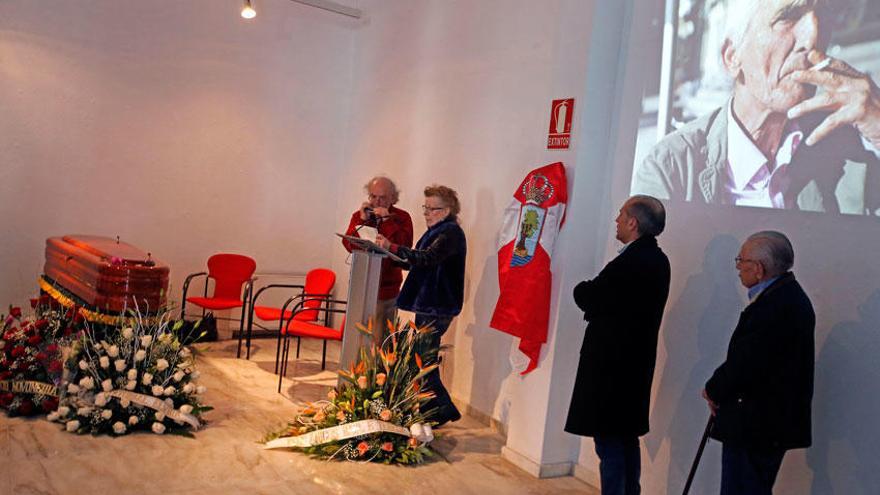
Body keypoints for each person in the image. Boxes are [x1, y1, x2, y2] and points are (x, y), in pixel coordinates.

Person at [632, 0, 880, 214]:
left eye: (822, 17)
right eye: (788, 17)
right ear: (732, 57)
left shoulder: (844, 144)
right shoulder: (673, 167)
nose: (812, 36)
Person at [565, 195, 671, 495]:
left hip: (611, 370)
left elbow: (590, 295)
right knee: (625, 439)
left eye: (621, 214)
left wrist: (583, 289)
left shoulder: (631, 261)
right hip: (633, 367)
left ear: (633, 222)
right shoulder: (658, 260)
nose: (616, 219)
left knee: (610, 441)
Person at [702, 231, 814, 495]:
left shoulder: (775, 306)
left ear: (759, 269)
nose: (738, 268)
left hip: (756, 425)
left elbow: (747, 362)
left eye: (741, 261)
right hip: (762, 422)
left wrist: (714, 388)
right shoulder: (785, 297)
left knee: (742, 488)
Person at [376, 185, 465, 427]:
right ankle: (433, 411)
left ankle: (442, 410)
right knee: (422, 359)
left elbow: (427, 259)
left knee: (423, 360)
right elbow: (418, 261)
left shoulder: (450, 233)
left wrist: (392, 248)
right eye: (425, 208)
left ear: (447, 210)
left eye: (432, 209)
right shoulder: (436, 230)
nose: (426, 213)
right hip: (428, 303)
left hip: (437, 305)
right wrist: (393, 254)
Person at [342, 176, 413, 337]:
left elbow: (403, 247)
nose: (377, 202)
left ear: (393, 198)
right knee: (357, 339)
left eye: (383, 197)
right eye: (373, 196)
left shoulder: (402, 218)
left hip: (386, 289)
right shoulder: (360, 216)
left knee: (380, 340)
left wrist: (387, 221)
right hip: (361, 286)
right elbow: (349, 244)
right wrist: (361, 221)